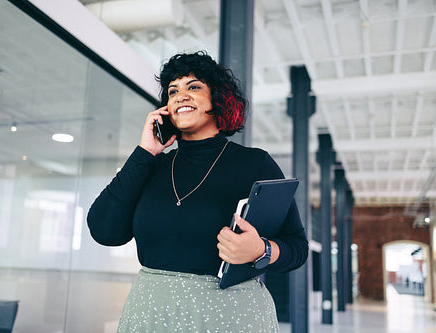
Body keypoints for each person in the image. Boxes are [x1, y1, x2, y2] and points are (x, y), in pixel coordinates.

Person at [87, 51, 308, 332]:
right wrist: (145, 152)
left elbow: (298, 248)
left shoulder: (255, 163)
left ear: (218, 99)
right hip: (151, 316)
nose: (181, 96)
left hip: (231, 317)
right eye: (172, 91)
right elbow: (104, 230)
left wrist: (261, 250)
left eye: (193, 87)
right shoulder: (151, 166)